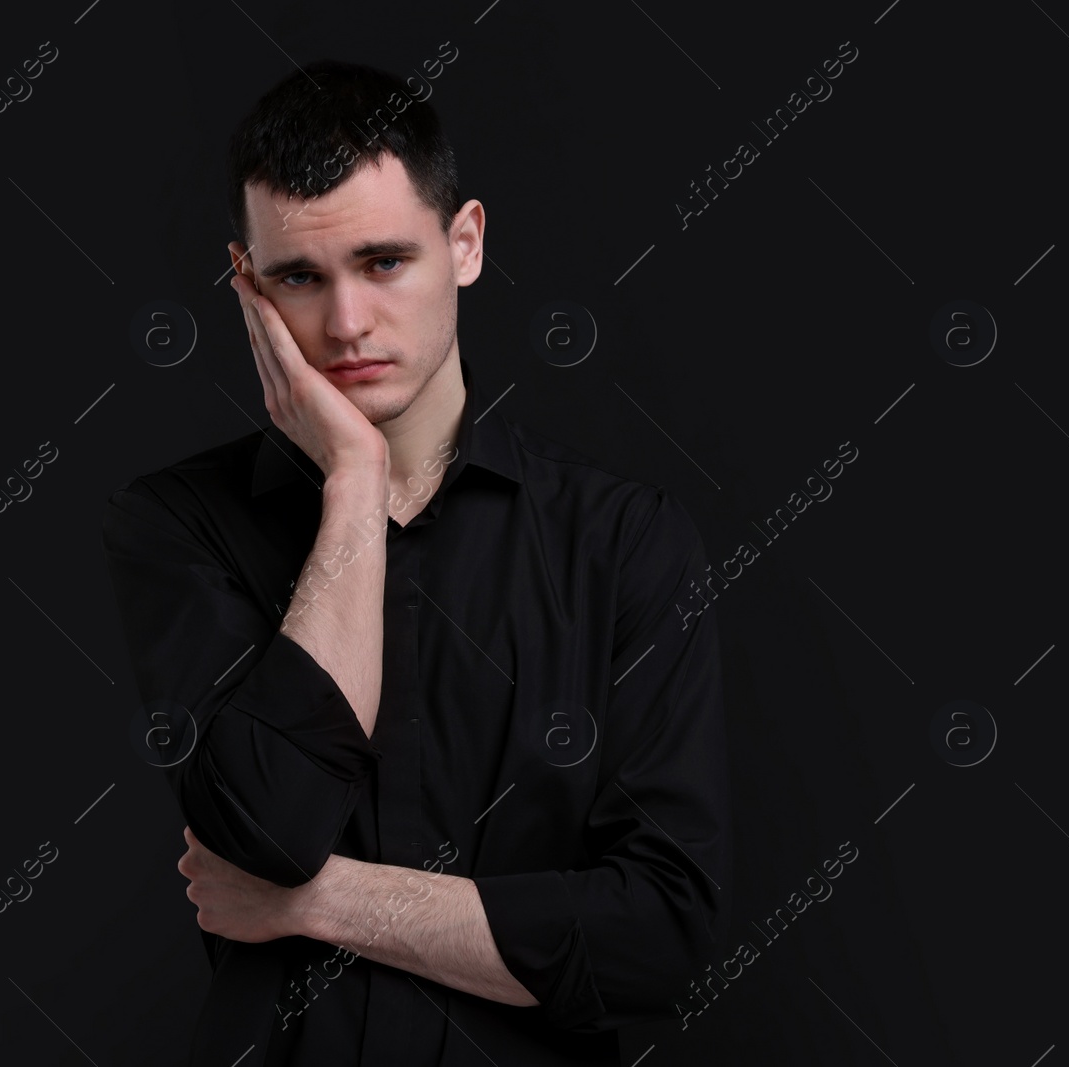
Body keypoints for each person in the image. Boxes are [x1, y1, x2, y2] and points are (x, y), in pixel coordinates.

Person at [101, 58, 731, 1066]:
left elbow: (657, 940)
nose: (345, 324)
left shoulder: (622, 541)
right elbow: (268, 824)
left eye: (384, 260)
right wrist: (354, 474)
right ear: (246, 285)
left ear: (465, 244)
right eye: (300, 277)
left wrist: (322, 897)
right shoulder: (178, 523)